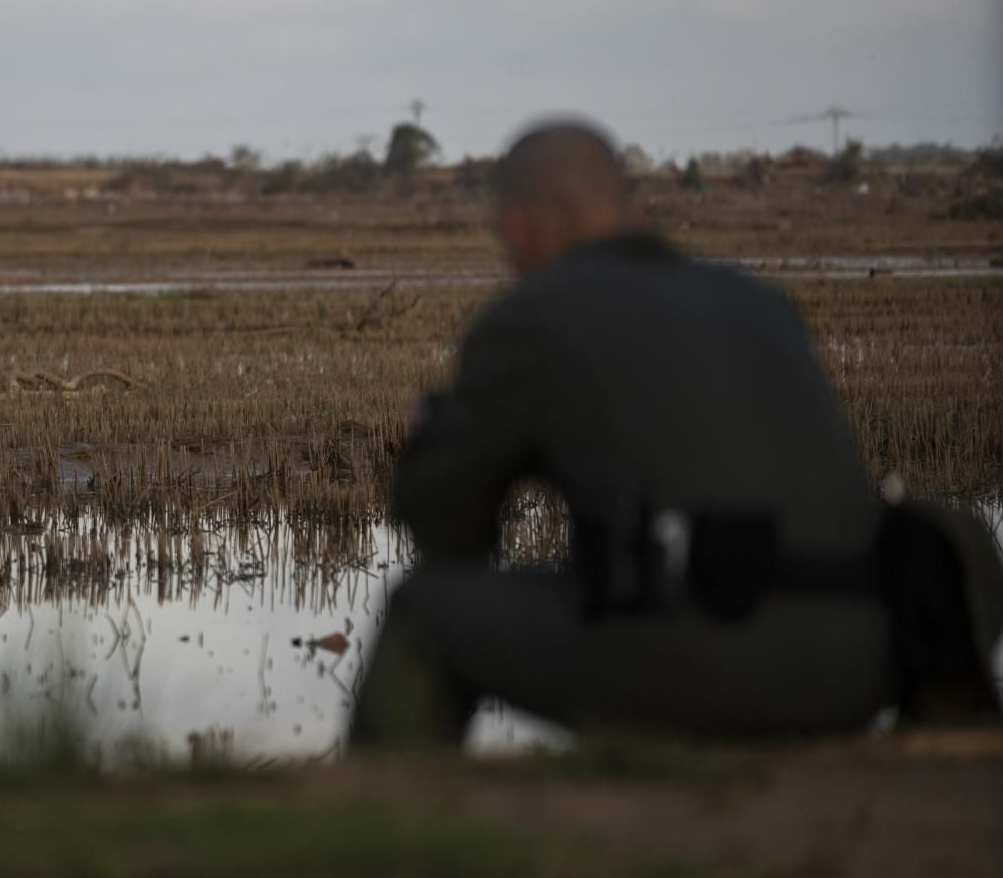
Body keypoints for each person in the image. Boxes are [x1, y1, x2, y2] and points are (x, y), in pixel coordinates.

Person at [350, 118, 906, 746]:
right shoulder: (760, 302)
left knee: (422, 612)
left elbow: (449, 532)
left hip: (695, 669)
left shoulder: (531, 318)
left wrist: (441, 440)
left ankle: (385, 820)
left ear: (520, 222)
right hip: (859, 666)